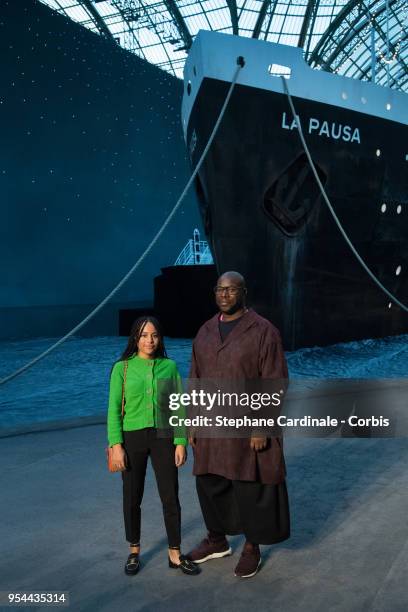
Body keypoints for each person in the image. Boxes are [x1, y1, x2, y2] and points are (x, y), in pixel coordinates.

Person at [187, 272, 290, 578]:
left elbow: (275, 380)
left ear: (244, 292)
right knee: (209, 482)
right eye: (220, 289)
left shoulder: (263, 331)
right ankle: (217, 540)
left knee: (250, 487)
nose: (225, 294)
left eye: (231, 290)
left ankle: (252, 547)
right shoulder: (205, 331)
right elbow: (195, 378)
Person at [107, 316, 199, 576]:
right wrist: (116, 445)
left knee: (170, 496)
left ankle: (175, 552)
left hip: (163, 437)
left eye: (154, 335)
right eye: (144, 335)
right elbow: (113, 410)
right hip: (131, 437)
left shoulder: (169, 367)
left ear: (160, 339)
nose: (149, 340)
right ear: (135, 338)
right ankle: (134, 550)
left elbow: (177, 407)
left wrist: (180, 441)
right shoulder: (122, 368)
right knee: (132, 498)